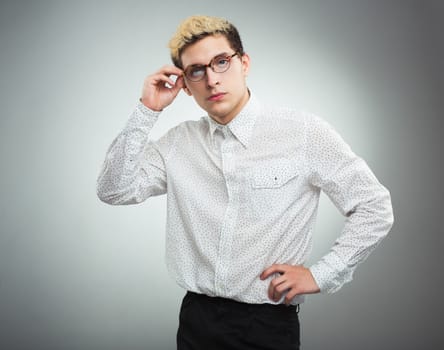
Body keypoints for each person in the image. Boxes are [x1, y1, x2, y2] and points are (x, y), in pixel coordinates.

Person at [96, 15, 394, 350]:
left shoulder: (303, 133)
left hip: (266, 325)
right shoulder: (179, 143)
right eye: (197, 70)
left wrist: (322, 274)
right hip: (197, 319)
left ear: (244, 63)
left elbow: (374, 206)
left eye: (221, 62)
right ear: (185, 85)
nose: (211, 80)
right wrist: (146, 110)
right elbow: (113, 189)